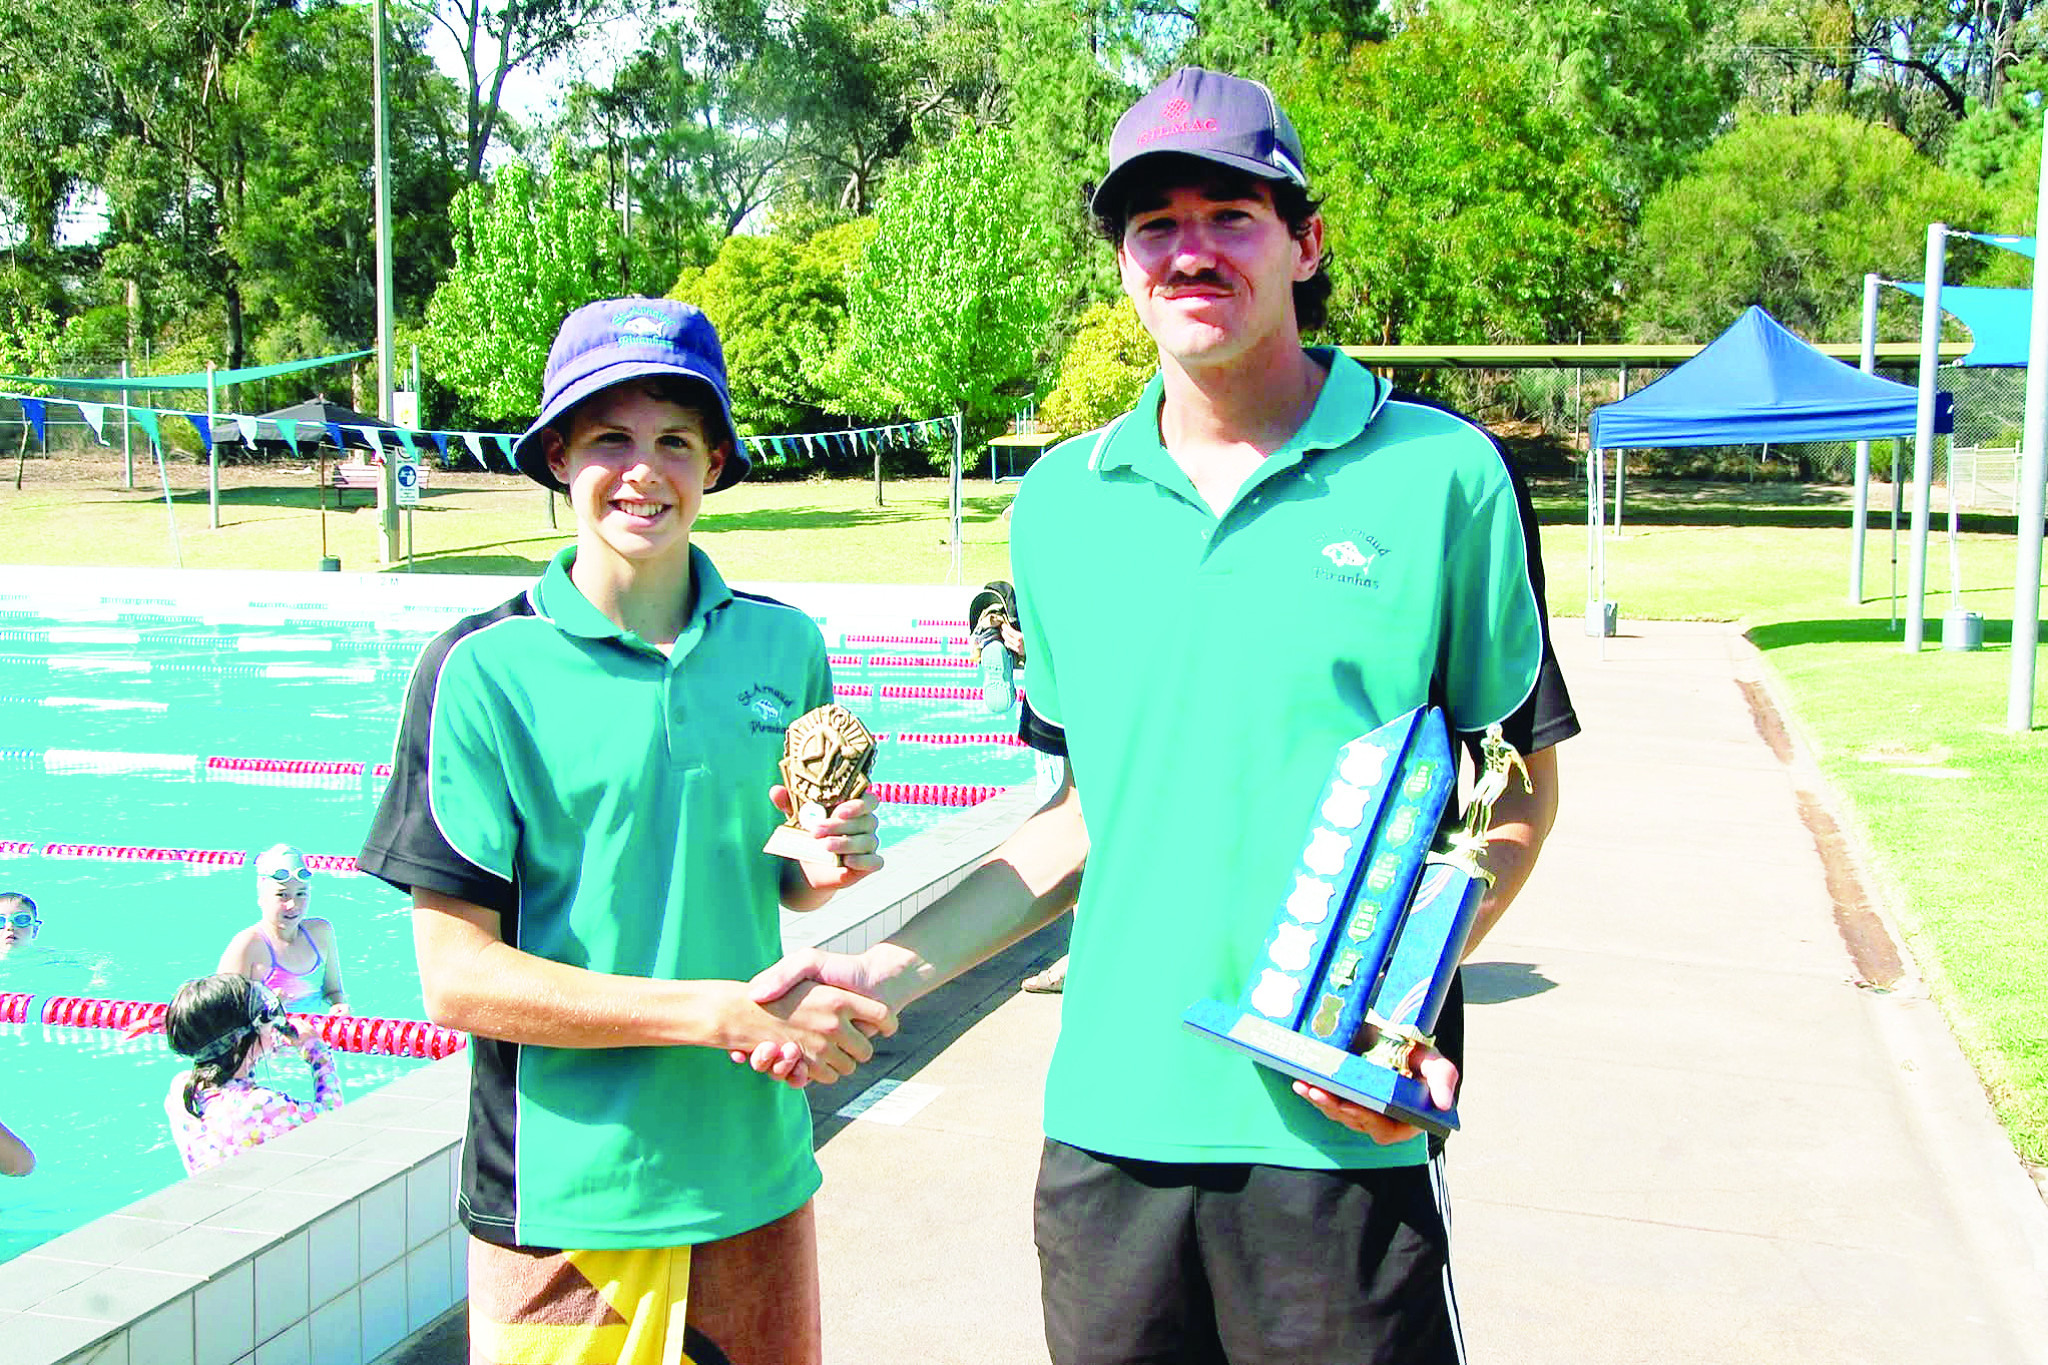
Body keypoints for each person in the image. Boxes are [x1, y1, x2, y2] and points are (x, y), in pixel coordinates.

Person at [746, 67, 1578, 1364]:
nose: (1190, 248)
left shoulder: (1442, 476)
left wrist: (1406, 989)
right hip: (1109, 1138)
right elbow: (1080, 823)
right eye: (1154, 224)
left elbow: (1514, 784)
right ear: (1124, 263)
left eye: (1230, 214)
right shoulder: (1065, 507)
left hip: (1336, 1127)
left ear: (1303, 242)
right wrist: (882, 966)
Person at [356, 297, 896, 1365]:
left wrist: (823, 864)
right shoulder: (480, 670)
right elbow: (455, 978)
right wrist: (718, 1014)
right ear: (558, 454)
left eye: (674, 443)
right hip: (569, 1200)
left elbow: (773, 880)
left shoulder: (782, 647)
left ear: (714, 463)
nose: (642, 470)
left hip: (753, 1169)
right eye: (610, 438)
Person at [163, 973, 342, 1175]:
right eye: (263, 1018)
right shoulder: (260, 1105)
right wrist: (317, 1053)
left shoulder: (182, 1089)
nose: (271, 1024)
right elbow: (334, 1122)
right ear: (239, 1040)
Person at [218, 845, 349, 1013]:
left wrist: (338, 1005)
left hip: (314, 1037)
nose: (293, 905)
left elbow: (333, 991)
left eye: (301, 894)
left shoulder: (321, 932)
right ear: (262, 897)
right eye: (282, 895)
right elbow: (221, 1015)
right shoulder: (246, 946)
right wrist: (265, 1008)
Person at [0, 891, 40, 958]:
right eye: (0, 921)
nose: (10, 927)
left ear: (34, 931)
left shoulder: (54, 959)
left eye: (21, 920)